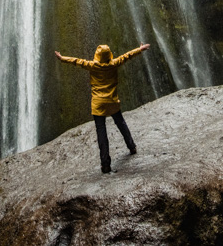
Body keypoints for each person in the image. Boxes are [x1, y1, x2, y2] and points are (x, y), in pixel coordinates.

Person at [55, 43, 151, 174]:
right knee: (121, 123)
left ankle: (105, 165)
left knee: (101, 132)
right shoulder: (114, 63)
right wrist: (140, 49)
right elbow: (127, 56)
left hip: (98, 104)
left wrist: (62, 58)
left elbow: (77, 61)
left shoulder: (92, 66)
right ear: (108, 56)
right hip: (112, 101)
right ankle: (132, 146)